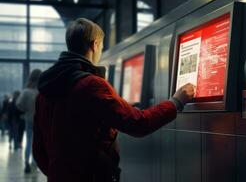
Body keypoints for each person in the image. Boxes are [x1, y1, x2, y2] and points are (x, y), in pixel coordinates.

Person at [33, 18, 195, 182]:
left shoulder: (44, 93)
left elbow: (39, 150)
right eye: (101, 47)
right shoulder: (92, 85)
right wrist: (176, 102)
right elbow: (139, 124)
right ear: (94, 44)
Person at [16, 69, 42, 173]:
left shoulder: (26, 91)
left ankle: (26, 161)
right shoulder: (41, 92)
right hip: (39, 121)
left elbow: (19, 105)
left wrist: (25, 111)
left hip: (28, 119)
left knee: (29, 141)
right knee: (36, 142)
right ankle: (34, 163)